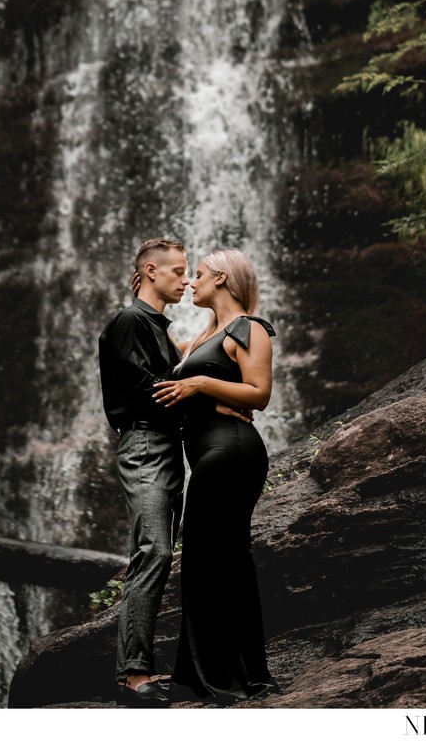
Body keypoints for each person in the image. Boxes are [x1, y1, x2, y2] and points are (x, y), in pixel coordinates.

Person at [98, 239, 253, 708]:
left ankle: (146, 668)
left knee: (160, 551)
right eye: (179, 271)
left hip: (164, 447)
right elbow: (151, 390)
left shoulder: (155, 326)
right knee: (155, 551)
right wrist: (221, 398)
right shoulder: (130, 321)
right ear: (150, 271)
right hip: (146, 444)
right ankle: (133, 677)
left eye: (191, 272)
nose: (186, 280)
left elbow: (174, 376)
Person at [153, 248, 278, 706]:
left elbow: (259, 393)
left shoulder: (250, 328)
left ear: (222, 279)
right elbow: (168, 357)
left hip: (232, 452)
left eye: (199, 275)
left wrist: (202, 386)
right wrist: (151, 302)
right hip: (212, 452)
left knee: (211, 558)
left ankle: (222, 677)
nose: (191, 283)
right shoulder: (210, 333)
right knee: (221, 560)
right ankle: (234, 673)